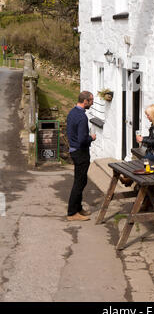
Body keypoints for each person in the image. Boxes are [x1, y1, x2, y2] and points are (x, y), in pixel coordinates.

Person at [66, 91, 96, 221]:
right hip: (80, 152)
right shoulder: (82, 117)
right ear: (85, 102)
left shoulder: (73, 112)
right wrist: (91, 138)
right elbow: (82, 139)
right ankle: (72, 213)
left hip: (74, 150)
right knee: (79, 182)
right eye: (91, 101)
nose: (92, 103)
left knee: (81, 180)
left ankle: (78, 208)